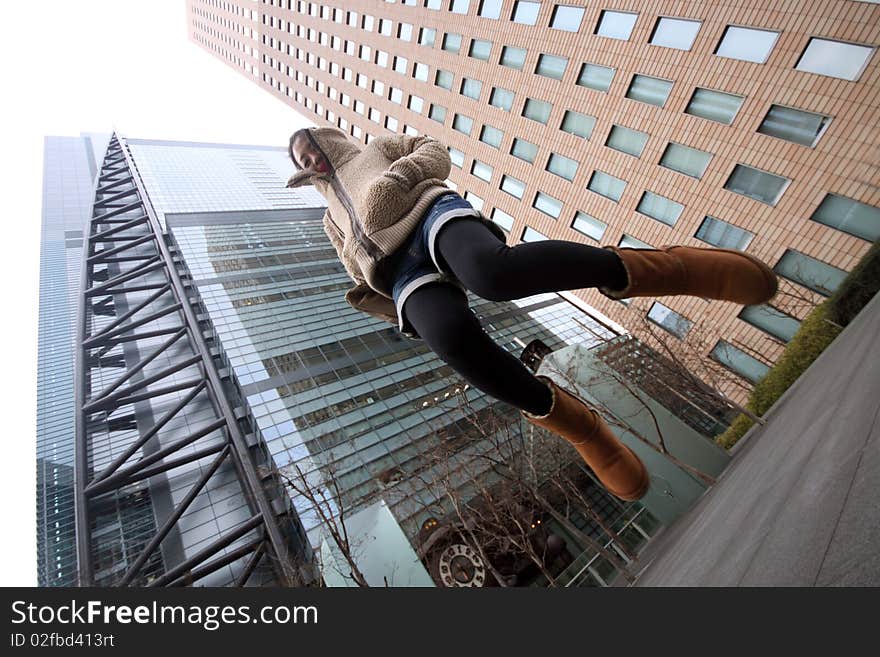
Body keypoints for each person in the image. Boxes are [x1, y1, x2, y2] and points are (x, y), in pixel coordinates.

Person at [287, 126, 778, 502]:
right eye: (302, 162)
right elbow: (352, 266)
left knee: (492, 275)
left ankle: (665, 269)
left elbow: (432, 149)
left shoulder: (376, 149)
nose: (311, 162)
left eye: (311, 150)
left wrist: (397, 178)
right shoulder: (330, 218)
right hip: (398, 274)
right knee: (451, 339)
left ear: (327, 142)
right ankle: (582, 428)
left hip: (425, 215)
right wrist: (369, 279)